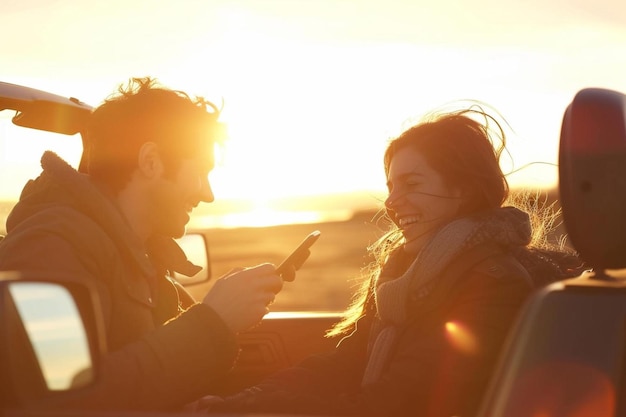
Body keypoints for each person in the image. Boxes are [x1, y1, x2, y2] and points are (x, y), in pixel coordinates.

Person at [204, 105, 585, 416]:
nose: (391, 202)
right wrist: (240, 403)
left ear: (463, 189)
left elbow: (402, 399)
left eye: (412, 184)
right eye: (391, 186)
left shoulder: (494, 282)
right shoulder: (402, 277)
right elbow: (346, 362)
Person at [0, 77, 284, 410]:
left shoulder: (142, 256)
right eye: (201, 172)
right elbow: (64, 403)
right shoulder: (51, 246)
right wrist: (212, 323)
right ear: (151, 161)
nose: (208, 194)